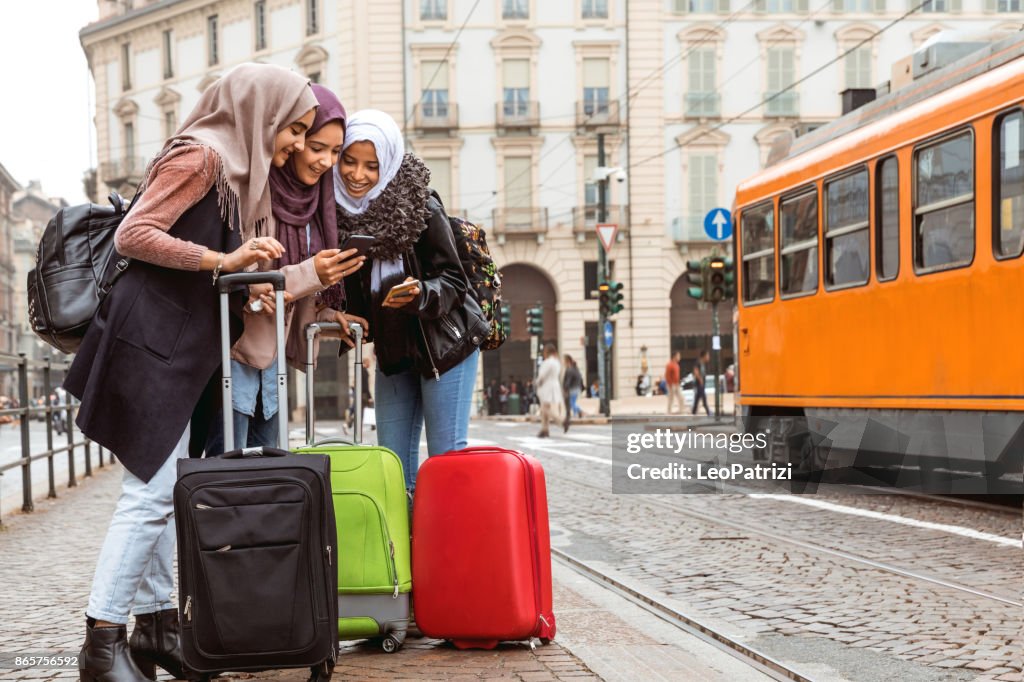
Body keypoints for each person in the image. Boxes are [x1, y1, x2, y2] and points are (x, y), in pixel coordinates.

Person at [63, 63, 317, 682]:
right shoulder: (202, 158)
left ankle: (155, 631)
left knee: (157, 488)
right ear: (263, 112)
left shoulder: (229, 170)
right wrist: (220, 258)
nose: (296, 147)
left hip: (173, 350)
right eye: (295, 130)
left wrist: (245, 274)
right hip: (151, 348)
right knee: (147, 497)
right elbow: (134, 234)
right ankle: (101, 642)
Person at [206, 83, 367, 452]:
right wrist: (313, 273)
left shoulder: (316, 203)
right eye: (315, 146)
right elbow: (241, 276)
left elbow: (295, 281)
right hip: (234, 360)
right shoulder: (250, 190)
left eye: (335, 151)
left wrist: (327, 312)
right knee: (228, 478)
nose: (326, 161)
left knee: (271, 480)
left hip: (273, 368)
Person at [336, 109, 489, 493]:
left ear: (386, 164)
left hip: (444, 346)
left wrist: (421, 293)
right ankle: (404, 551)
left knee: (444, 461)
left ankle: (448, 551)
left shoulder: (420, 205)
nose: (358, 175)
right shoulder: (335, 215)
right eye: (349, 162)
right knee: (391, 467)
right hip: (393, 353)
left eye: (372, 166)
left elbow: (455, 280)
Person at [536, 344, 563, 438]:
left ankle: (560, 421)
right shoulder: (557, 362)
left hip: (546, 387)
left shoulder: (547, 362)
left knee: (545, 409)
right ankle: (544, 430)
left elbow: (542, 376)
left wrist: (537, 383)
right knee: (545, 409)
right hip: (554, 385)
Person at [562, 354, 584, 432]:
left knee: (571, 403)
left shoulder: (570, 369)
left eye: (564, 361)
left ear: (567, 361)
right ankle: (576, 413)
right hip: (577, 388)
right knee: (572, 402)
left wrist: (565, 388)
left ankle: (579, 411)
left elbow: (568, 381)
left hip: (573, 389)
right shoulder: (575, 369)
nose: (563, 363)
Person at [692, 349, 711, 416]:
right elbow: (696, 371)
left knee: (697, 399)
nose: (708, 357)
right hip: (699, 384)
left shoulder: (702, 363)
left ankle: (693, 412)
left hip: (701, 384)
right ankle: (709, 412)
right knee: (704, 398)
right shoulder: (698, 363)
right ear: (704, 356)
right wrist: (700, 380)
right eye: (707, 355)